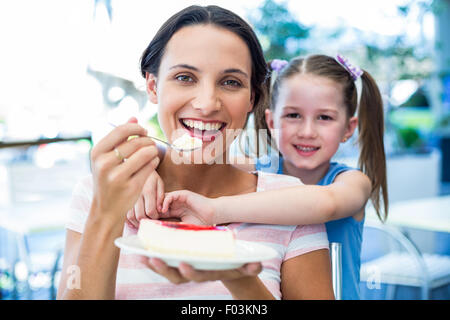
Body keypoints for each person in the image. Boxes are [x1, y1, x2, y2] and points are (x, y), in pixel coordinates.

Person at [57, 5, 334, 300]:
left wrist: (238, 277)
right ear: (152, 86)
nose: (206, 104)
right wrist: (107, 212)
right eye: (185, 77)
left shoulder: (292, 205)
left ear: (252, 98)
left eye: (231, 82)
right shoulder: (97, 193)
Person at [137, 54, 389, 300]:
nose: (307, 131)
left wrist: (215, 210)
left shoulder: (352, 182)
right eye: (293, 115)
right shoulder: (261, 170)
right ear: (270, 121)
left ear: (348, 128)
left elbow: (325, 204)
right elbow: (182, 158)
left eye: (324, 117)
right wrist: (144, 166)